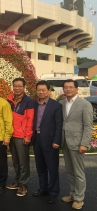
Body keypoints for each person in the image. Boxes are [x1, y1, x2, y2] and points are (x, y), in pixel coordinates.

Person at [60, 80, 93, 210]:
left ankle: (79, 198)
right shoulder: (61, 103)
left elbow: (88, 125)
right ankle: (73, 194)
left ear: (76, 89)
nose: (68, 89)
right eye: (65, 87)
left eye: (70, 87)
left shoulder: (85, 104)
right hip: (65, 142)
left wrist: (84, 143)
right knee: (69, 171)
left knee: (79, 172)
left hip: (77, 143)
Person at [32, 80, 63, 204]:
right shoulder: (34, 104)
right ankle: (43, 188)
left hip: (50, 141)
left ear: (48, 90)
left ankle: (53, 192)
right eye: (39, 90)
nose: (41, 92)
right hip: (37, 139)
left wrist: (57, 140)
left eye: (43, 90)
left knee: (52, 168)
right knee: (40, 167)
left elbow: (58, 124)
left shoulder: (56, 105)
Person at [6, 78, 34, 196]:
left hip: (22, 136)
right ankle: (17, 181)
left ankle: (23, 185)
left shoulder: (28, 101)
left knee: (23, 162)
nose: (17, 88)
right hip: (11, 135)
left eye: (20, 86)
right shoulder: (9, 100)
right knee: (15, 161)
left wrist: (28, 136)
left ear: (24, 87)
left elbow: (30, 120)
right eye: (15, 86)